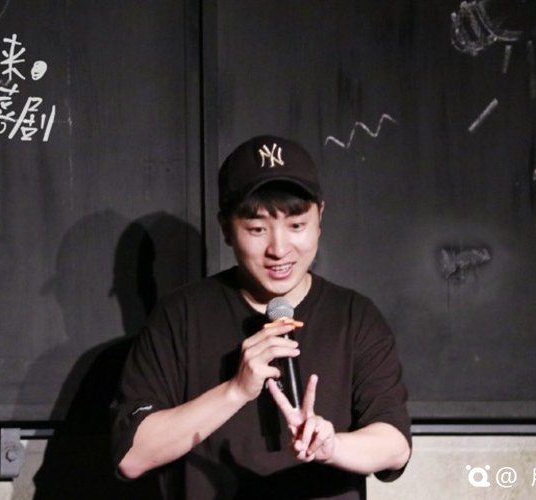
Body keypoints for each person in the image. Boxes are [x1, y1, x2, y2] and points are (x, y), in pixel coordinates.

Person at [111, 135, 411, 498]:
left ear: (320, 217)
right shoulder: (180, 316)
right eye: (257, 229)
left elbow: (395, 445)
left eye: (296, 225)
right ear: (226, 228)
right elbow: (132, 456)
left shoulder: (354, 317)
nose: (279, 249)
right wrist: (235, 390)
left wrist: (332, 446)